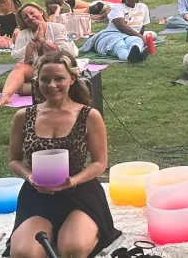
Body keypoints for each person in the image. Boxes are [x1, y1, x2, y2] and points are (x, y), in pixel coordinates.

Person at [6, 51, 119, 258]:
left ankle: (80, 231)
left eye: (59, 78)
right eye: (45, 79)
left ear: (72, 79)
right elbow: (14, 160)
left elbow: (99, 163)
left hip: (80, 192)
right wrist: (30, 177)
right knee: (24, 254)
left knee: (72, 250)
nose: (52, 85)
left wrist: (73, 181)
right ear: (37, 80)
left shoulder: (89, 116)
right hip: (37, 194)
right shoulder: (24, 116)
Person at [0, 4, 79, 106]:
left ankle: (32, 88)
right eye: (25, 17)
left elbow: (63, 52)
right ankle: (4, 97)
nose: (30, 17)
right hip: (36, 69)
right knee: (19, 67)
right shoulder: (23, 34)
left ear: (41, 12)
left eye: (32, 13)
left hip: (58, 66)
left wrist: (42, 40)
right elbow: (18, 58)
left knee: (22, 89)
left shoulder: (58, 28)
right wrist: (32, 42)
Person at [81, 0, 150, 62]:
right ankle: (130, 57)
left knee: (135, 41)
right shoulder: (117, 7)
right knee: (119, 45)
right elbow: (121, 26)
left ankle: (136, 53)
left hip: (132, 35)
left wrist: (141, 38)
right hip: (113, 34)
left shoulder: (143, 7)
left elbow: (142, 26)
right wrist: (141, 36)